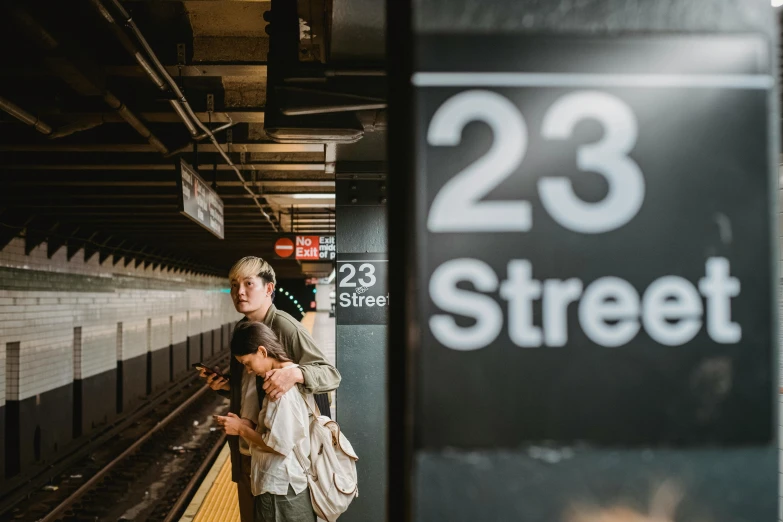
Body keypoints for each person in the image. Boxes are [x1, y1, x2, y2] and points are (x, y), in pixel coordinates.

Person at [199, 256, 340, 522]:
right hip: (249, 450)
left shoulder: (285, 327)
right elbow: (254, 385)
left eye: (248, 283)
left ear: (268, 288)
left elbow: (330, 374)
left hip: (279, 455)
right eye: (234, 285)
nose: (239, 291)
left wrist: (295, 374)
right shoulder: (244, 328)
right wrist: (228, 386)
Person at [215, 321, 317, 522]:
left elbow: (279, 445)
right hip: (289, 485)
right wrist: (247, 425)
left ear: (262, 351)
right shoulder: (291, 375)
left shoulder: (279, 388)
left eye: (247, 363)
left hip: (280, 490)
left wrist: (241, 430)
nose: (249, 370)